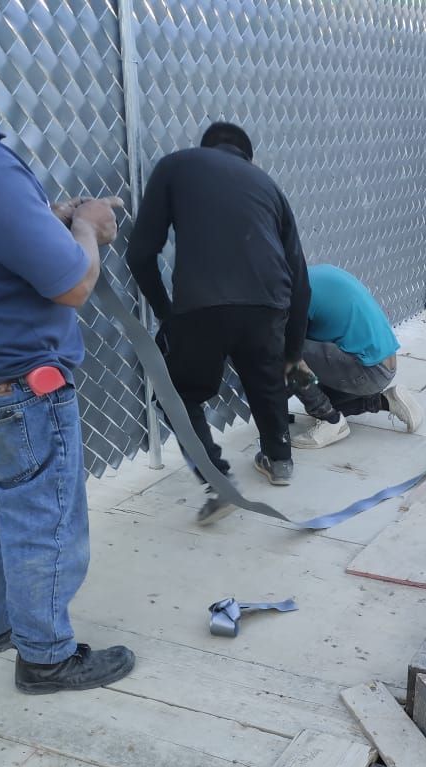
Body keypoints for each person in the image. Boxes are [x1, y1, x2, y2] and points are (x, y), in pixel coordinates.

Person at [0, 26, 135, 694]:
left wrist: (51, 214)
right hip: (20, 389)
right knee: (43, 522)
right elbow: (71, 282)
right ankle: (47, 657)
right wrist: (89, 226)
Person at [126, 121, 310, 524]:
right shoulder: (267, 185)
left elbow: (140, 254)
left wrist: (167, 314)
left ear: (206, 148)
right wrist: (292, 353)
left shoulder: (175, 166)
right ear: (248, 157)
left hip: (201, 304)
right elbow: (299, 276)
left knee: (178, 393)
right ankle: (280, 460)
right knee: (265, 378)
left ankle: (218, 482)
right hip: (268, 303)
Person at [288, 264, 423, 450]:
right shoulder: (316, 274)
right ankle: (385, 401)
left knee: (282, 350)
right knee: (322, 401)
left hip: (368, 370)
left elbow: (292, 355)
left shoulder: (296, 295)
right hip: (383, 365)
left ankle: (331, 422)